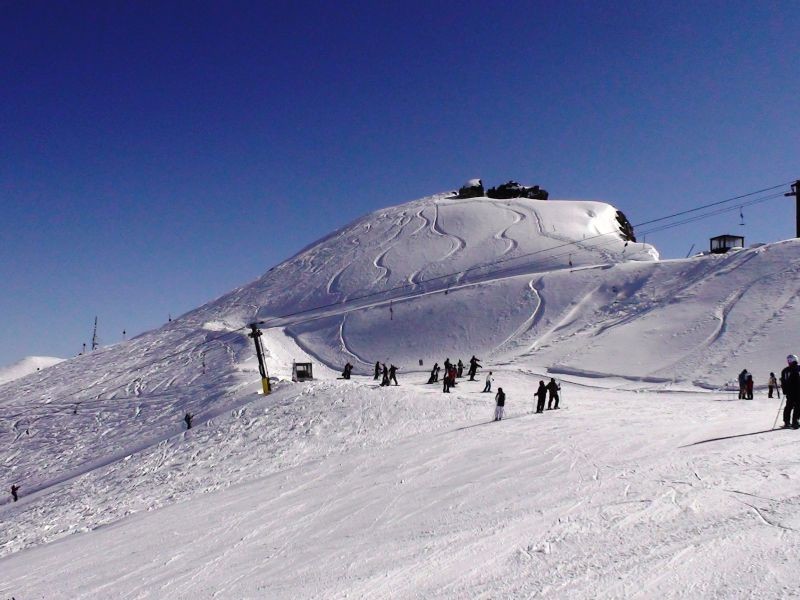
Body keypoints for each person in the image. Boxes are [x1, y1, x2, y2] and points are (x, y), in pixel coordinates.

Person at [780, 354, 800, 429]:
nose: (789, 362)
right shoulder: (797, 368)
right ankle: (794, 421)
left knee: (789, 406)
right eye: (788, 360)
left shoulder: (785, 370)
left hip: (790, 392)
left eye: (790, 360)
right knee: (796, 406)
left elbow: (783, 382)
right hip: (796, 391)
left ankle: (788, 422)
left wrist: (785, 390)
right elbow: (783, 381)